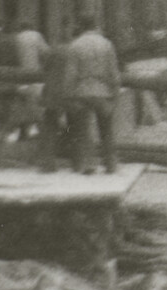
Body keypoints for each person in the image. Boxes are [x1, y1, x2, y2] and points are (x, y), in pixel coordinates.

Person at [45, 15, 121, 175]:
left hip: (82, 91)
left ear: (81, 26)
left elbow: (70, 75)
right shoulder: (107, 44)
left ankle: (84, 164)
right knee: (106, 129)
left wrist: (68, 95)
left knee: (81, 130)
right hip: (102, 91)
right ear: (95, 25)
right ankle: (111, 165)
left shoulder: (75, 45)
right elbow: (114, 72)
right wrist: (114, 93)